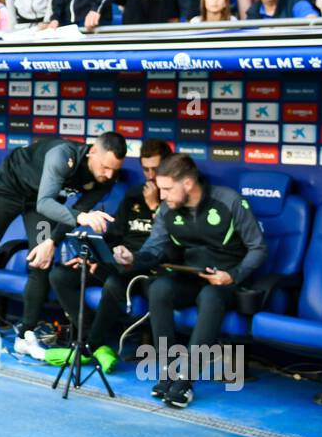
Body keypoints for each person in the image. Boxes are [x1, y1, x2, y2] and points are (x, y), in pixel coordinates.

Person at [0, 133, 128, 359]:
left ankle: (25, 335)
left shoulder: (108, 178)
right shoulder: (63, 155)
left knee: (41, 261)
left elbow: (67, 212)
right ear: (93, 151)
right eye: (105, 167)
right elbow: (66, 210)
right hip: (9, 189)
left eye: (115, 169)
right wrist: (80, 217)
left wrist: (51, 242)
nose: (109, 174)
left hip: (40, 205)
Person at [113, 154, 268, 408]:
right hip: (191, 275)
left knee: (210, 296)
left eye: (166, 189)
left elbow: (258, 249)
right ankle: (168, 371)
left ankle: (185, 380)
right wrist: (132, 257)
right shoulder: (167, 210)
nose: (161, 196)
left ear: (187, 184)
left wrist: (233, 275)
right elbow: (154, 249)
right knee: (160, 288)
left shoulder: (229, 201)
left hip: (226, 280)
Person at [48, 139, 170, 374]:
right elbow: (114, 234)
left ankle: (90, 346)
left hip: (145, 269)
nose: (151, 175)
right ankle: (87, 337)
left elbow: (165, 246)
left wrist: (155, 207)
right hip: (116, 263)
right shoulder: (135, 195)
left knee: (114, 282)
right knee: (61, 276)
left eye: (157, 168)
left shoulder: (173, 198)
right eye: (146, 169)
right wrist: (95, 257)